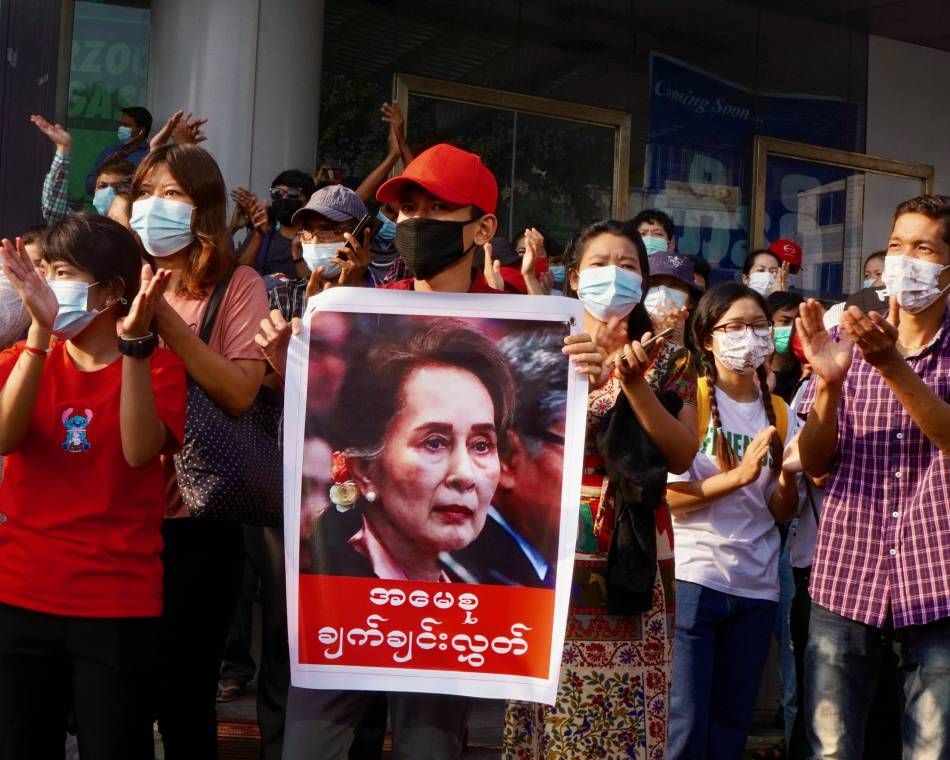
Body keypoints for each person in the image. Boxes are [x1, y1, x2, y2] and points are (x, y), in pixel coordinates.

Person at [278, 143, 605, 760]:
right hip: (339, 618)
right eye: (405, 211)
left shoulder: (532, 323)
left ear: (483, 228)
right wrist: (286, 363)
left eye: (436, 209)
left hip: (454, 631)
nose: (414, 225)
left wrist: (598, 369)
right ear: (367, 460)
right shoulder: (361, 310)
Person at [505, 219, 698, 759]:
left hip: (632, 552)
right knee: (551, 711)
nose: (614, 275)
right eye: (599, 264)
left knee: (630, 715)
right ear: (573, 277)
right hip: (550, 550)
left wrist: (633, 386)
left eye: (629, 265)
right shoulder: (542, 347)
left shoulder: (670, 356)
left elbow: (682, 454)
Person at [0, 213, 186, 760]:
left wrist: (132, 350)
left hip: (115, 602)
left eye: (61, 272)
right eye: (43, 271)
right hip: (21, 592)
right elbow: (6, 437)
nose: (46, 284)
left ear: (112, 290)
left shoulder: (160, 369)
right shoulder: (20, 359)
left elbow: (137, 451)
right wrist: (38, 332)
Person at [795, 194, 950, 759]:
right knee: (830, 749)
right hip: (847, 574)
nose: (904, 260)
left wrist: (892, 367)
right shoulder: (847, 343)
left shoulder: (888, 353)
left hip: (939, 581)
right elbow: (814, 462)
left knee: (931, 749)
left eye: (923, 247)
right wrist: (830, 385)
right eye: (895, 245)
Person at [129, 143, 269, 759]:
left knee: (185, 699)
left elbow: (241, 392)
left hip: (194, 520)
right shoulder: (112, 272)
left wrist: (167, 323)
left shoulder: (238, 285)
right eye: (147, 192)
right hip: (114, 515)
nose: (153, 208)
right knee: (118, 696)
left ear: (203, 210)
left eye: (173, 195)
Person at [666, 282, 800, 760]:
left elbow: (782, 511)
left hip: (756, 586)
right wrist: (739, 476)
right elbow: (670, 498)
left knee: (730, 728)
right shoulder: (690, 401)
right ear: (707, 338)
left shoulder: (780, 412)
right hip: (695, 579)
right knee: (685, 725)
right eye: (735, 327)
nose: (750, 337)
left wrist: (784, 479)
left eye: (760, 326)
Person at [310, 318, 514, 581]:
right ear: (365, 471)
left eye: (481, 445)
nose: (465, 475)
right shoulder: (316, 579)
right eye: (435, 443)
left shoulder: (489, 589)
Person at [449, 330, 568, 588]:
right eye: (574, 444)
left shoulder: (540, 565)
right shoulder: (467, 573)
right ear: (505, 456)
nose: (587, 468)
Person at [236, 169, 317, 277]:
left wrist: (297, 255)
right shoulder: (261, 235)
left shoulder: (317, 241)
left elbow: (313, 284)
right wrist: (258, 234)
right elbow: (240, 275)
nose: (284, 198)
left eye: (292, 193)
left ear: (307, 201)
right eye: (277, 193)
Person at [84, 106, 152, 194]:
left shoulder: (150, 155)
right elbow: (88, 186)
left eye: (126, 125)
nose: (121, 128)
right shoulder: (109, 151)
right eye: (121, 124)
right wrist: (104, 172)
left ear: (141, 131)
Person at [768, 291, 806, 403]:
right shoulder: (755, 374)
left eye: (799, 322)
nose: (793, 328)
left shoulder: (805, 374)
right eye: (785, 321)